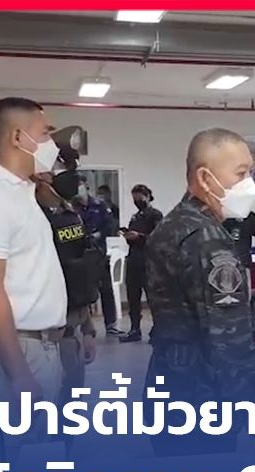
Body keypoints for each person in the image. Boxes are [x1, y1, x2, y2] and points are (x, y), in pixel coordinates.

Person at [0, 97, 67, 457]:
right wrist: (18, 372)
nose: (51, 144)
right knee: (21, 453)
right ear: (19, 137)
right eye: (45, 133)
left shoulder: (21, 193)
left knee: (41, 450)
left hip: (42, 345)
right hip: (20, 347)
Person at [144, 127, 255, 456]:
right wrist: (249, 403)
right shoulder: (207, 240)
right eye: (240, 173)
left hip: (170, 382)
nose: (250, 183)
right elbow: (228, 337)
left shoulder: (172, 225)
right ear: (205, 178)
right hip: (203, 397)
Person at [34, 169, 101, 411]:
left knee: (70, 405)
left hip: (69, 330)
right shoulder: (31, 219)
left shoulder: (70, 218)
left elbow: (79, 275)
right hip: (40, 336)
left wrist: (88, 330)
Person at [76, 185, 123, 336]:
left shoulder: (99, 205)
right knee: (81, 291)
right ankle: (83, 326)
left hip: (99, 254)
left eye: (80, 186)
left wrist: (99, 234)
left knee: (106, 289)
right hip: (81, 256)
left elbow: (110, 225)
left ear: (86, 188)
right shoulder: (73, 207)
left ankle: (111, 324)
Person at [120, 183, 163, 343]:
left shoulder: (155, 215)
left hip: (148, 262)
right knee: (133, 296)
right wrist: (129, 236)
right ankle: (134, 329)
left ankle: (158, 329)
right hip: (134, 259)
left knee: (153, 298)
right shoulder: (135, 217)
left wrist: (140, 236)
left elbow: (158, 237)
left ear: (148, 196)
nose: (137, 201)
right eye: (134, 198)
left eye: (139, 198)